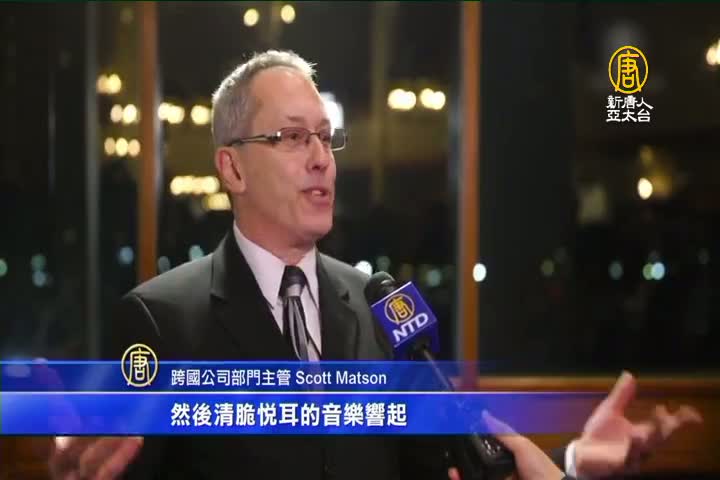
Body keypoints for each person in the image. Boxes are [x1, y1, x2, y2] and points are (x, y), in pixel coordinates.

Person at [49, 50, 702, 480]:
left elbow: (450, 465)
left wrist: (575, 464)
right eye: (292, 137)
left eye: (325, 136)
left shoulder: (383, 306)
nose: (321, 159)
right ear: (232, 168)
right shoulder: (161, 321)